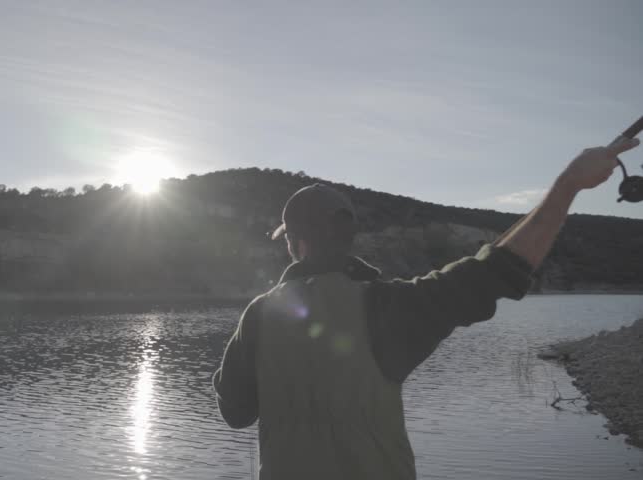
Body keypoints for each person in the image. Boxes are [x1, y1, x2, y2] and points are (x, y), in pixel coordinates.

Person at [212, 135, 640, 479]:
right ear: (348, 239)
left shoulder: (258, 316)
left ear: (294, 242)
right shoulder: (390, 306)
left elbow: (235, 411)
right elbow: (496, 271)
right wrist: (569, 185)